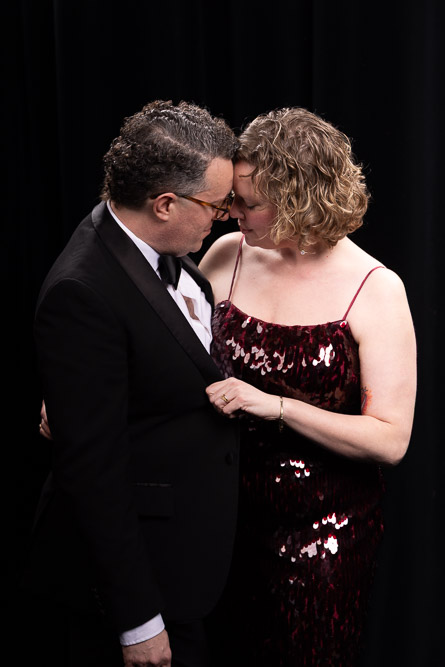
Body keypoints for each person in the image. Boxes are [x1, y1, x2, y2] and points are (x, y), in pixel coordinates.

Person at [23, 100, 240, 667]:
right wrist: (137, 621)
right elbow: (93, 475)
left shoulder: (163, 249)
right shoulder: (82, 292)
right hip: (140, 587)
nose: (224, 218)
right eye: (216, 205)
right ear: (165, 204)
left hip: (191, 562)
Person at [199, 107, 417, 665]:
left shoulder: (376, 289)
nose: (230, 213)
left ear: (298, 200)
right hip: (217, 522)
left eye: (248, 203)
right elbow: (165, 348)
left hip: (320, 540)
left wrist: (276, 407)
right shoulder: (227, 254)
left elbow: (390, 439)